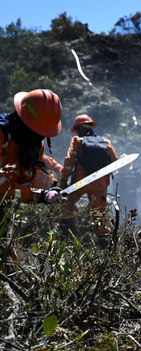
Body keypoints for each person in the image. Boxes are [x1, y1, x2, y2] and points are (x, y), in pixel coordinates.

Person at [59, 114, 117, 245]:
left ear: (79, 128)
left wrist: (64, 179)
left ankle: (66, 233)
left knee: (67, 204)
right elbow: (114, 162)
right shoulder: (106, 142)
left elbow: (69, 161)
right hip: (100, 184)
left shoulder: (77, 141)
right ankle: (103, 242)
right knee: (100, 213)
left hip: (81, 182)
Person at [0, 89, 63, 204]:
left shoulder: (36, 148)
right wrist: (39, 195)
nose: (36, 139)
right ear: (21, 119)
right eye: (35, 132)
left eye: (42, 134)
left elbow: (26, 184)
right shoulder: (1, 134)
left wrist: (48, 189)